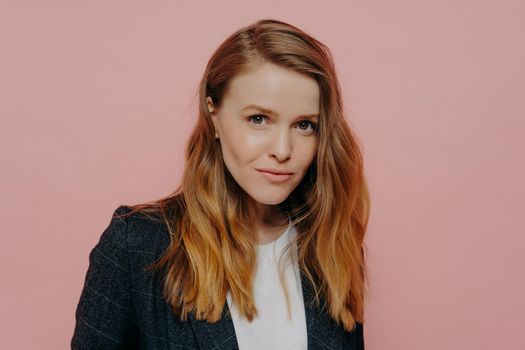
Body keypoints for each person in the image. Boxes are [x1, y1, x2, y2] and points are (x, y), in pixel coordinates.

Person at [71, 18, 370, 350]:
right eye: (259, 119)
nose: (283, 151)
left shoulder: (331, 244)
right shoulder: (136, 245)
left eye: (304, 125)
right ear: (214, 115)